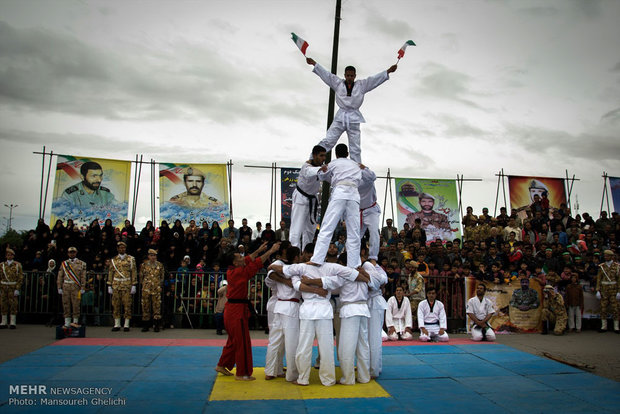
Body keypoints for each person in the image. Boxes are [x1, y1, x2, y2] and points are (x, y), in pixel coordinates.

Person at [305, 57, 397, 163]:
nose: (349, 77)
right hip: (341, 117)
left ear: (355, 76)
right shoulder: (338, 83)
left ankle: (356, 168)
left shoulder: (361, 85)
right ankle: (312, 159)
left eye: (352, 76)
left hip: (354, 118)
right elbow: (327, 75)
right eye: (348, 75)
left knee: (355, 147)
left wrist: (388, 71)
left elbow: (373, 80)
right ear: (344, 75)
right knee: (328, 140)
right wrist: (314, 64)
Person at [303, 252, 372, 385]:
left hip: (350, 310)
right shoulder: (362, 274)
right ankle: (364, 376)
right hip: (363, 309)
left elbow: (327, 282)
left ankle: (348, 378)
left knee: (346, 347)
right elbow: (376, 283)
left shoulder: (344, 275)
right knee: (363, 345)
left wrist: (309, 281)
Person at [215, 241, 281, 381]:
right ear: (235, 262)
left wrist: (258, 250)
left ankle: (222, 365)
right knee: (243, 342)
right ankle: (242, 373)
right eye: (239, 257)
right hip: (236, 312)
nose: (242, 258)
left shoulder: (233, 268)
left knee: (234, 341)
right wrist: (270, 251)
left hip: (232, 310)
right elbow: (256, 263)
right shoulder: (239, 272)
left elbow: (248, 259)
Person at [310, 144, 363, 269]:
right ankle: (354, 264)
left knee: (327, 226)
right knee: (354, 231)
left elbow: (322, 175)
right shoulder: (356, 165)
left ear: (336, 154)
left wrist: (332, 177)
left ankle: (317, 259)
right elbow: (361, 179)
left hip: (340, 192)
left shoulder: (333, 163)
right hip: (354, 195)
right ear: (348, 153)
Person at [264, 246, 299, 381]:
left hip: (279, 306)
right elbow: (270, 271)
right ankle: (291, 374)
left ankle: (272, 370)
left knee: (275, 340)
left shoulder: (291, 267)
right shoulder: (286, 266)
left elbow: (271, 271)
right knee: (291, 342)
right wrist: (286, 281)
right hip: (288, 306)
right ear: (295, 257)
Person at [289, 146, 325, 249]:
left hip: (312, 200)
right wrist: (321, 169)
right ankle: (294, 255)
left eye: (324, 156)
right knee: (296, 229)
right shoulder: (306, 167)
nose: (323, 158)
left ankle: (307, 253)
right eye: (321, 155)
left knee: (310, 230)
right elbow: (310, 172)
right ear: (314, 156)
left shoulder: (320, 168)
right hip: (301, 199)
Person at [364, 255, 388, 378]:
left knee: (374, 337)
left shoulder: (369, 266)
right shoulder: (365, 267)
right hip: (369, 304)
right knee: (367, 338)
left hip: (375, 304)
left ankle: (374, 369)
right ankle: (370, 366)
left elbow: (381, 281)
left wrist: (366, 273)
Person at [107, 241, 138, 332]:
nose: (122, 249)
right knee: (116, 304)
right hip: (116, 285)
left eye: (123, 247)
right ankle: (117, 324)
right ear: (117, 249)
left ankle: (126, 324)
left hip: (127, 284)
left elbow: (133, 272)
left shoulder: (131, 259)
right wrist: (109, 285)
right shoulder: (113, 260)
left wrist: (134, 285)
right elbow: (111, 273)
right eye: (120, 248)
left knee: (127, 304)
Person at [56, 246, 87, 328]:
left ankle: (75, 321)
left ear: (76, 253)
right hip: (66, 286)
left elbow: (83, 277)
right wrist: (59, 287)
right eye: (70, 252)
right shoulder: (64, 264)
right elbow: (60, 276)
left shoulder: (82, 263)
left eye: (73, 252)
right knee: (66, 304)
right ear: (68, 253)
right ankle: (67, 322)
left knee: (76, 304)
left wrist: (83, 287)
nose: (72, 254)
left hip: (76, 286)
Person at [139, 249, 165, 332]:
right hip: (146, 288)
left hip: (156, 288)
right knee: (145, 306)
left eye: (154, 255)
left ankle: (156, 325)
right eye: (151, 255)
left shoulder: (160, 265)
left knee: (156, 306)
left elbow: (162, 276)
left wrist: (160, 285)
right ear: (148, 256)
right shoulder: (144, 265)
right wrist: (143, 285)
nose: (153, 257)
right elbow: (141, 276)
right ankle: (146, 325)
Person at [359, 166, 381, 261]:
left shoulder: (369, 179)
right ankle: (350, 255)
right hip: (358, 211)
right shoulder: (351, 182)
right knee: (354, 235)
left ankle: (373, 257)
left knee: (374, 233)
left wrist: (364, 168)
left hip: (371, 210)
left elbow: (373, 176)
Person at [595, 249, 619, 333]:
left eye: (608, 256)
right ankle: (603, 326)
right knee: (603, 308)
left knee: (615, 308)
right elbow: (599, 279)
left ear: (612, 257)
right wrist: (597, 290)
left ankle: (616, 327)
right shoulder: (601, 266)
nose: (606, 257)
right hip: (604, 290)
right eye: (605, 256)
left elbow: (619, 279)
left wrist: (619, 291)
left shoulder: (617, 266)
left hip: (614, 290)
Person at [0, 249, 23, 329]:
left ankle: (13, 322)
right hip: (4, 286)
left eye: (11, 255)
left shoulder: (17, 265)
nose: (9, 256)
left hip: (13, 287)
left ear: (13, 256)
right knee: (3, 304)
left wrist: (17, 288)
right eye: (8, 255)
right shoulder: (2, 265)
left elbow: (20, 277)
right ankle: (4, 322)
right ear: (6, 256)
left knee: (13, 304)